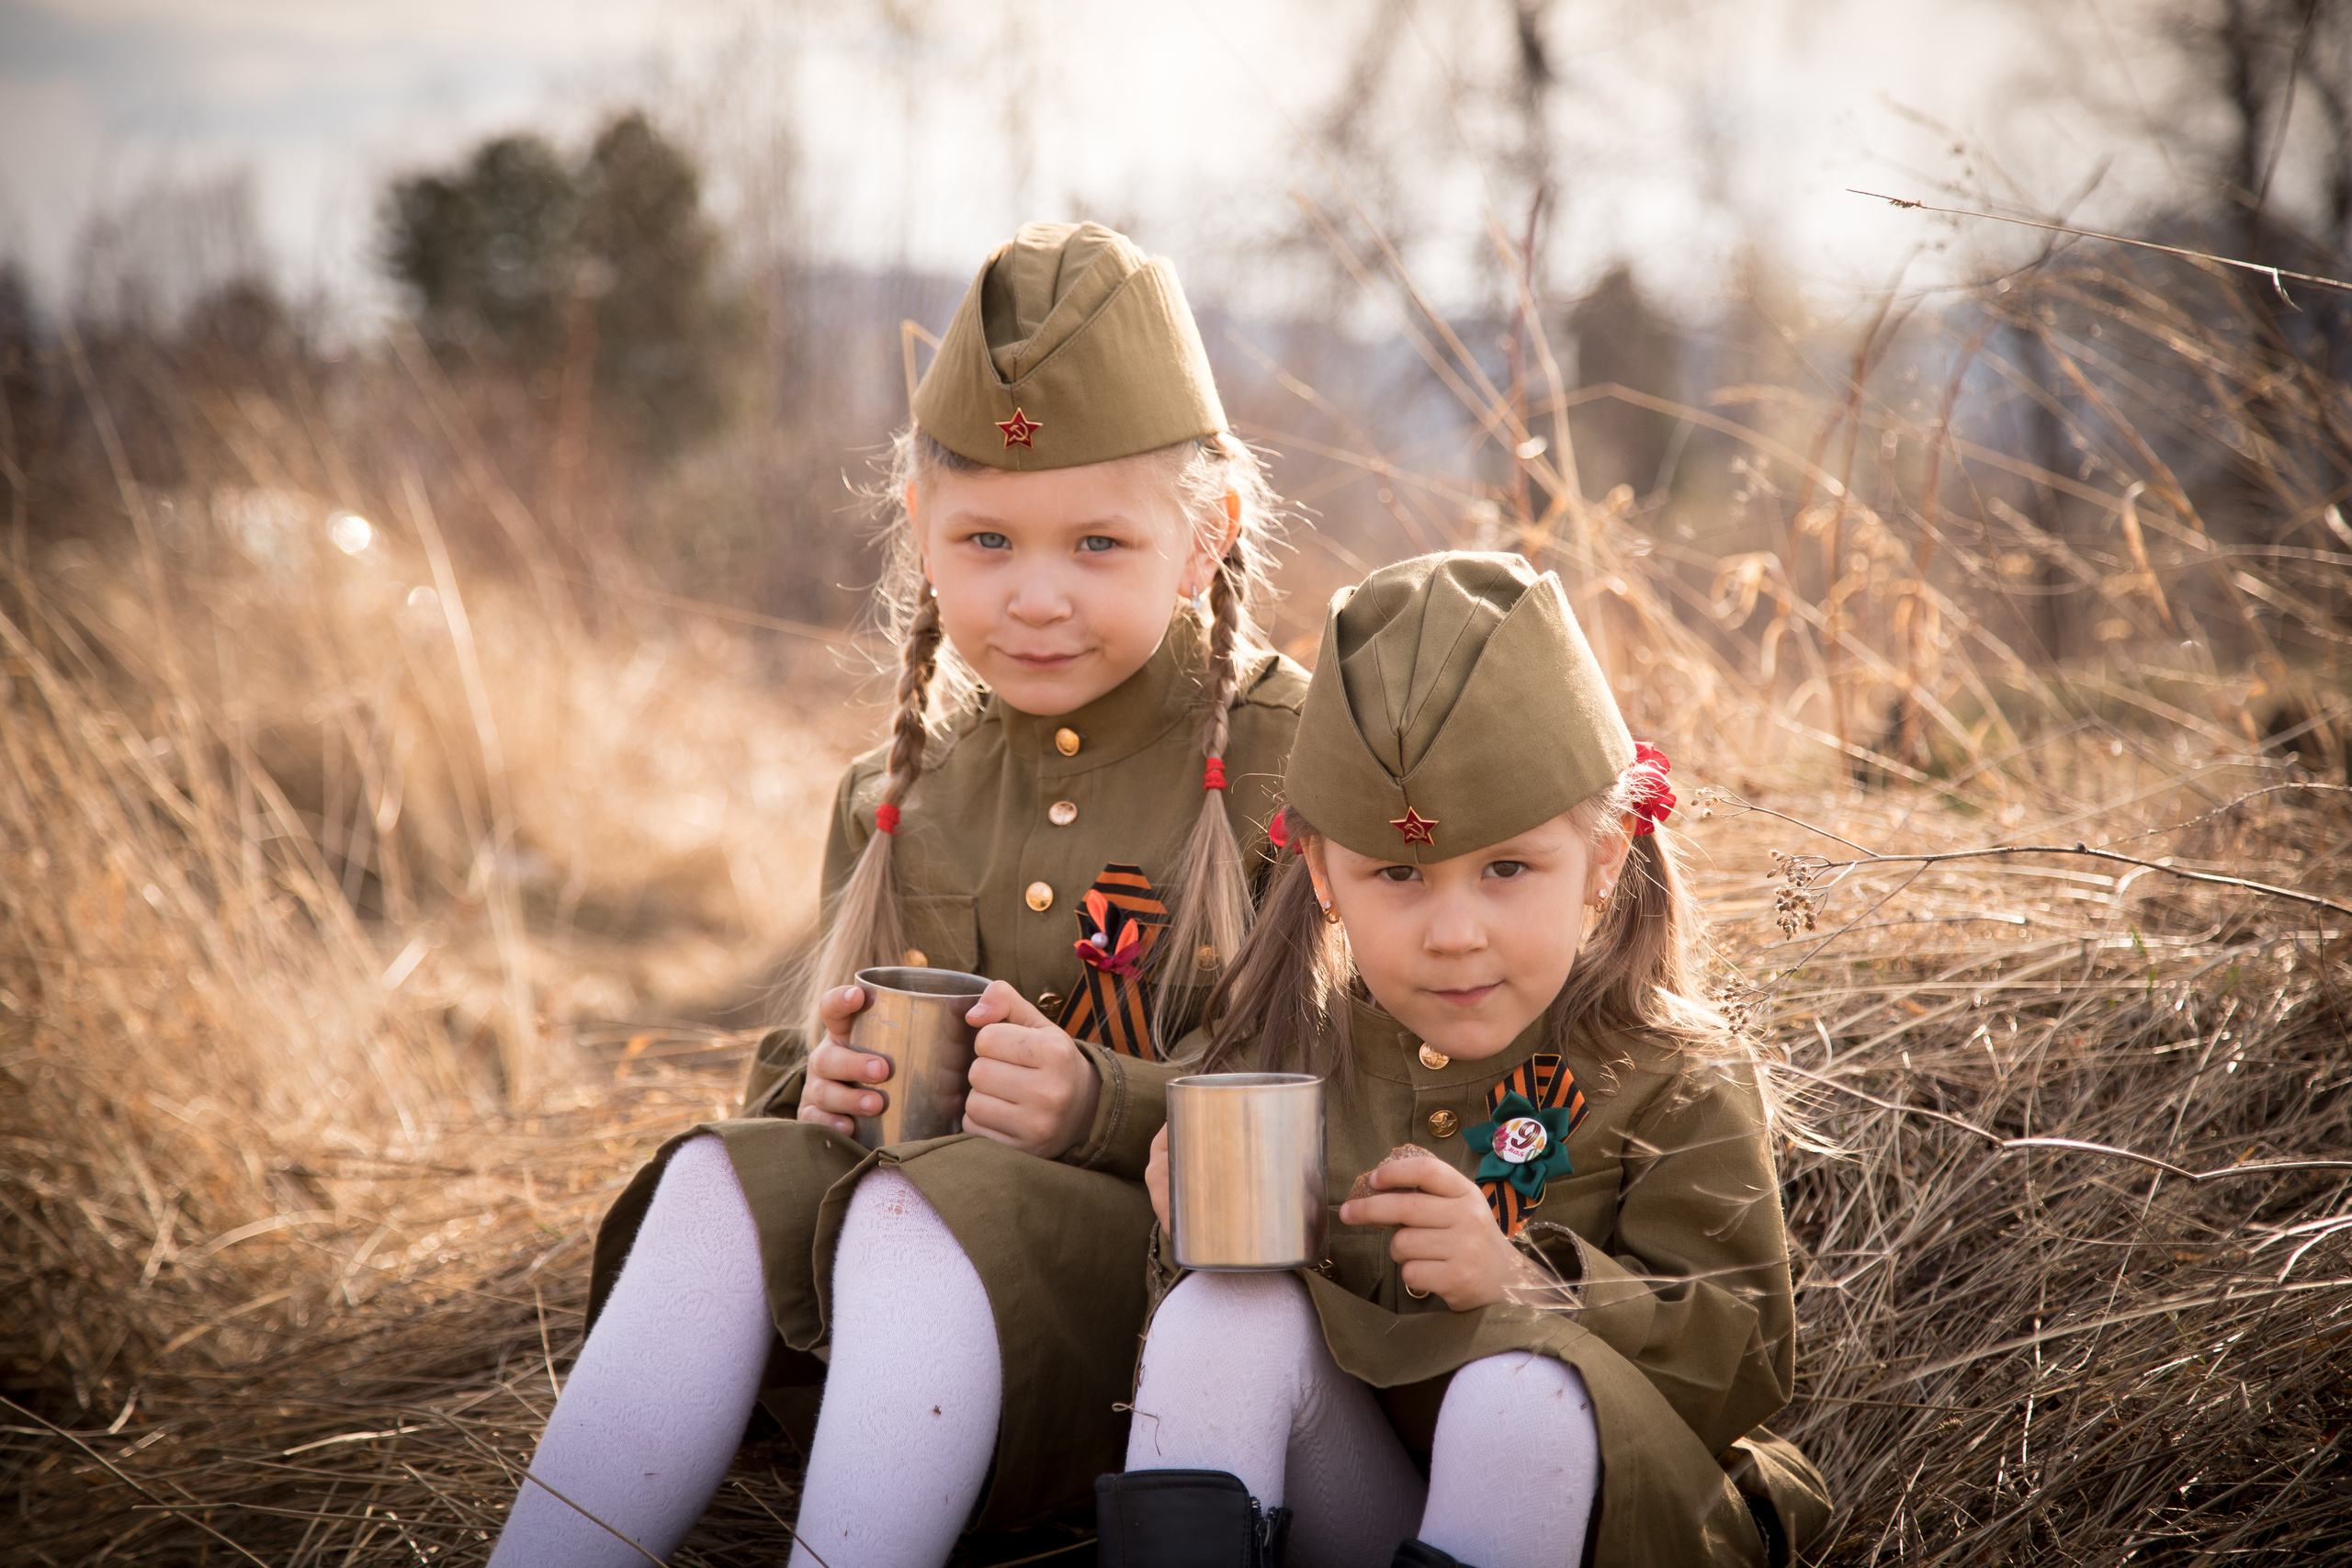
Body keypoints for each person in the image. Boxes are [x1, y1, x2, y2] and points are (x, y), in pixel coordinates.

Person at [489, 221, 1308, 1567]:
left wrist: (1101, 1102)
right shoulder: (899, 786)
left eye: (1098, 543)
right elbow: (808, 1048)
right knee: (715, 1172)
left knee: (912, 1204)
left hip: (1168, 1310)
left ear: (1206, 533)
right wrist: (813, 1087)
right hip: (892, 1323)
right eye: (987, 538)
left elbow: (1356, 1091)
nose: (1034, 595)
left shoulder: (1296, 760)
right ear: (923, 529)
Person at [1098, 553, 1831, 1568]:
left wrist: (1527, 1285)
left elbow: (1745, 1364)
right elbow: (1209, 1377)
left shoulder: (1675, 1076)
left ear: (1603, 858)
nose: (1453, 932)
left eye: (1506, 869)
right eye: (1396, 873)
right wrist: (1191, 1238)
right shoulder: (1287, 1061)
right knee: (1222, 1316)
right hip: (1375, 1496)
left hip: (1610, 1515)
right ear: (1320, 875)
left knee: (1514, 1394)